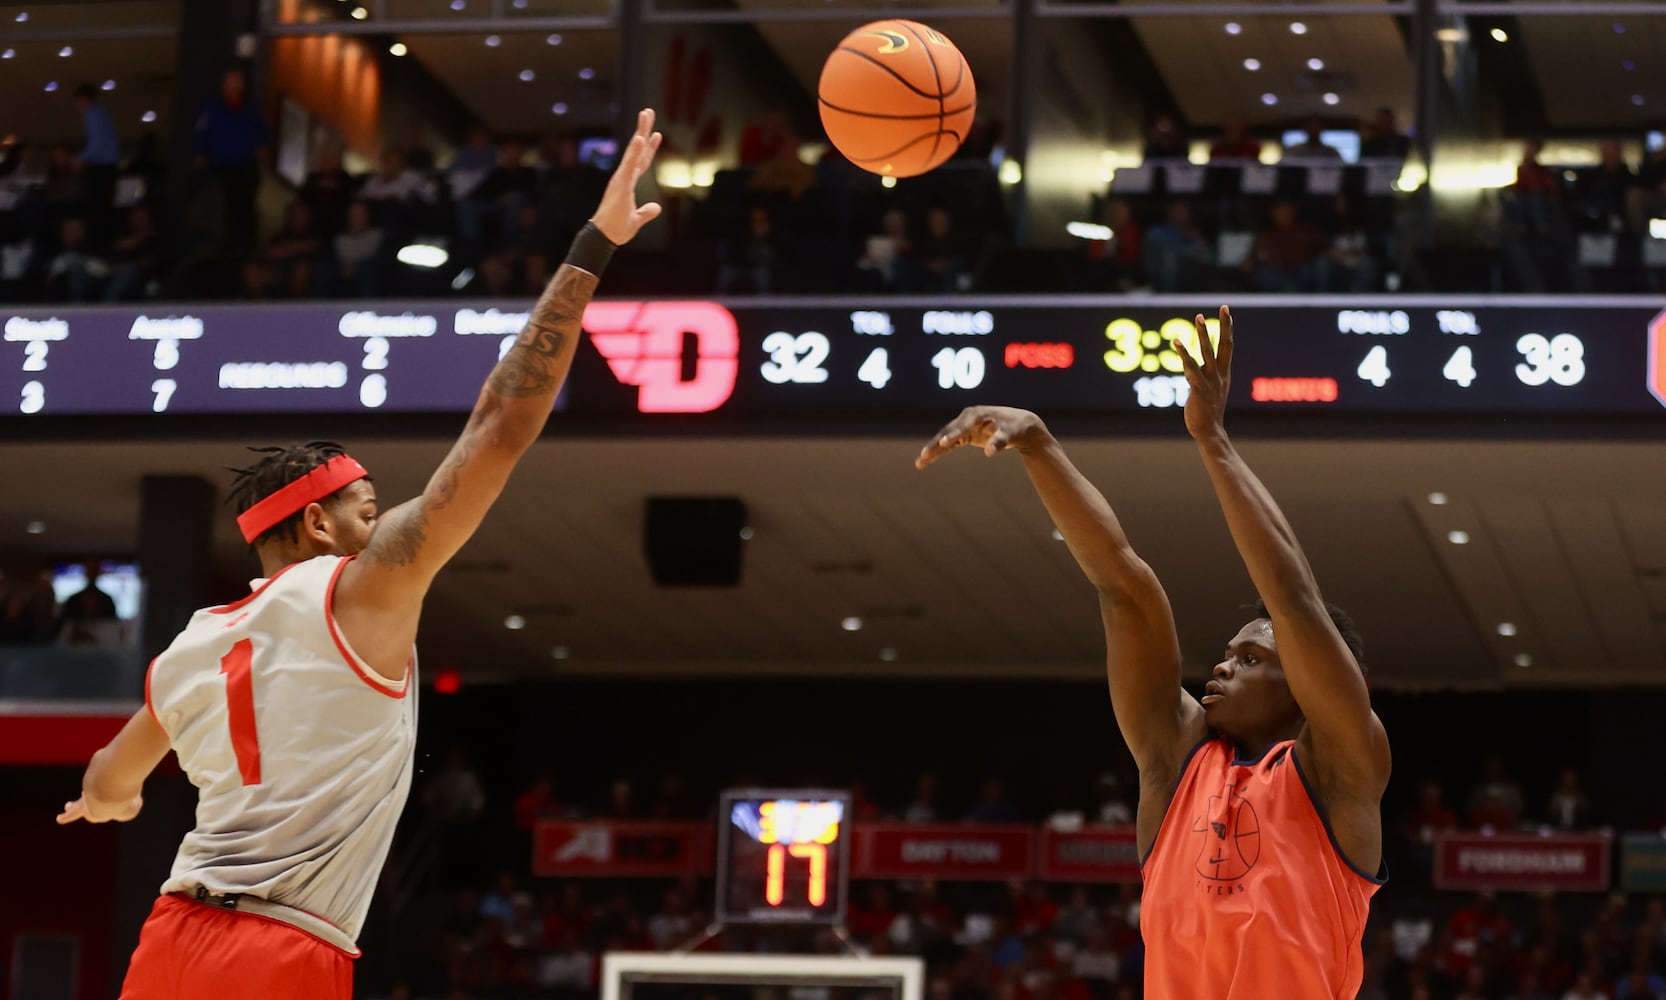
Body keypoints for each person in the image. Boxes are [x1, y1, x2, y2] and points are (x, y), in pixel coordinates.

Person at [55, 109, 665, 1000]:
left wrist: (109, 801)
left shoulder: (188, 647)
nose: (384, 527)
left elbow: (109, 777)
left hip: (170, 939)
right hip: (283, 950)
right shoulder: (359, 590)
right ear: (316, 527)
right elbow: (502, 421)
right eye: (369, 509)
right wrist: (593, 245)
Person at [916, 305, 1390, 999]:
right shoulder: (1177, 761)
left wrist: (1213, 441)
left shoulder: (1341, 774)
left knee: (1289, 607)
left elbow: (1293, 598)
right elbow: (1123, 585)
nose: (1223, 666)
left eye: (1254, 659)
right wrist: (1040, 446)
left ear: (1307, 691)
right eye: (1230, 653)